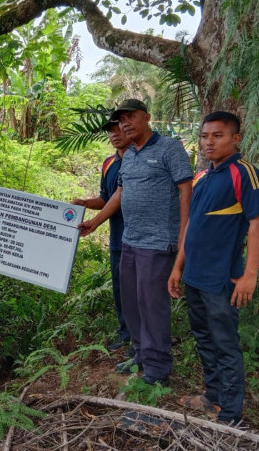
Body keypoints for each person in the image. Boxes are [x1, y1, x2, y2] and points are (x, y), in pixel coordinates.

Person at [79, 99, 193, 386]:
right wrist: (96, 222)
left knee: (152, 304)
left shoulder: (169, 149)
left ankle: (157, 370)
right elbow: (120, 192)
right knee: (131, 302)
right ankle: (140, 354)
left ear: (146, 117)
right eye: (120, 120)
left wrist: (182, 238)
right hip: (130, 240)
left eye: (131, 117)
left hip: (158, 243)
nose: (125, 123)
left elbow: (185, 192)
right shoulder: (127, 156)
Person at [169, 111, 259, 424]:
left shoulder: (246, 174)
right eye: (205, 136)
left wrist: (249, 275)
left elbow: (258, 223)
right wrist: (177, 268)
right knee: (203, 337)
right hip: (194, 276)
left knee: (225, 342)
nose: (209, 142)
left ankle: (230, 412)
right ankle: (212, 397)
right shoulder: (202, 177)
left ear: (235, 139)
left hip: (222, 278)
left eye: (218, 135)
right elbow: (192, 227)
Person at [72, 115, 132, 354]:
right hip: (118, 237)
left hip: (141, 238)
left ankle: (140, 341)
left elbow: (123, 196)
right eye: (111, 131)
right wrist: (84, 202)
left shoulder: (139, 161)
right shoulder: (109, 164)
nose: (115, 134)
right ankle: (125, 333)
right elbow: (107, 199)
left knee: (137, 290)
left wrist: (95, 222)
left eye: (119, 129)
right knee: (120, 288)